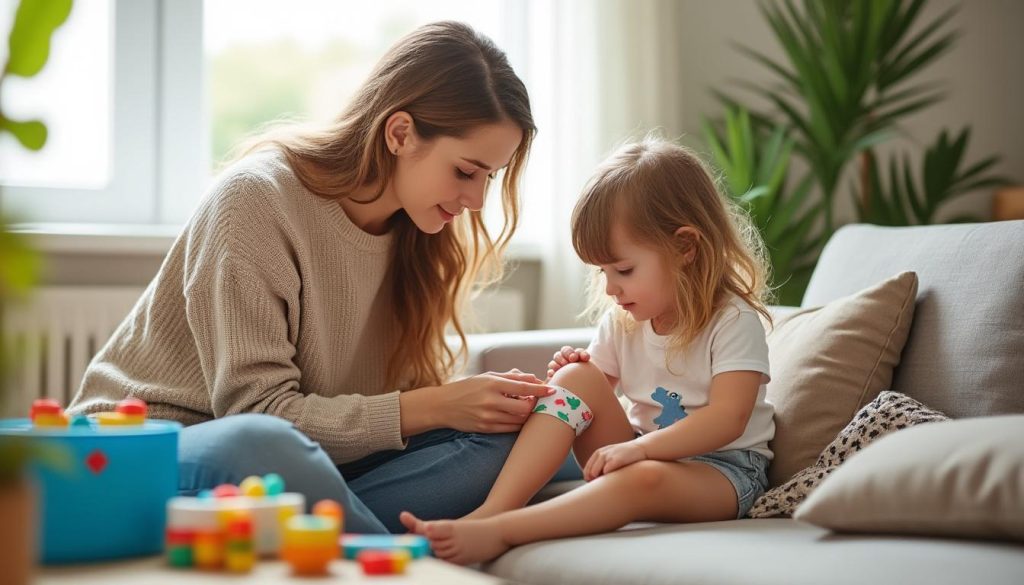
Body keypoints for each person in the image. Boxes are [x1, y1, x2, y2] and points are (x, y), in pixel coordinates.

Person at [67, 21, 554, 534]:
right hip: (149, 449)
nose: (477, 200)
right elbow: (257, 414)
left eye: (489, 178)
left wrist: (476, 406)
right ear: (400, 133)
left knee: (525, 438)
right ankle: (387, 554)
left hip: (305, 464)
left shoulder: (419, 233)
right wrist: (434, 405)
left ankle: (330, 528)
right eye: (465, 171)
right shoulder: (255, 201)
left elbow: (361, 423)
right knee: (261, 442)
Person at [401, 136, 776, 564]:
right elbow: (590, 394)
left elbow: (729, 419)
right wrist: (571, 373)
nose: (611, 288)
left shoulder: (731, 319)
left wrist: (639, 450)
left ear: (685, 247)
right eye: (602, 272)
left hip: (723, 470)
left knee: (641, 479)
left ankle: (503, 531)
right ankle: (493, 510)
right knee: (575, 377)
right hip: (640, 447)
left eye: (624, 269)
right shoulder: (624, 319)